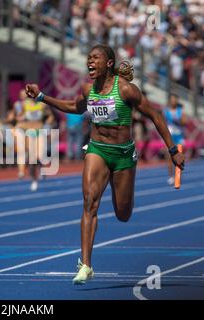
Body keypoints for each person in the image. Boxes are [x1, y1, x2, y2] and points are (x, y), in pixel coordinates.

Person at [25, 44, 185, 284]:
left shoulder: (127, 90)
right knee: (89, 201)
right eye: (88, 58)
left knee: (123, 213)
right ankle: (86, 265)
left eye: (95, 58)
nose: (90, 62)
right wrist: (41, 97)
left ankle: (121, 188)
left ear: (109, 63)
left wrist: (172, 150)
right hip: (98, 149)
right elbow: (75, 107)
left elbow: (155, 116)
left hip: (123, 155)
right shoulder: (88, 89)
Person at [163, 94, 186, 185]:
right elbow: (162, 123)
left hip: (179, 137)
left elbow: (185, 122)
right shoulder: (165, 111)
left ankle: (178, 175)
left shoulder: (180, 111)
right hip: (169, 136)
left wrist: (178, 120)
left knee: (179, 157)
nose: (173, 101)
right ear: (169, 101)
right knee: (168, 157)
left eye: (175, 99)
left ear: (177, 101)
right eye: (172, 99)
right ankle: (170, 176)